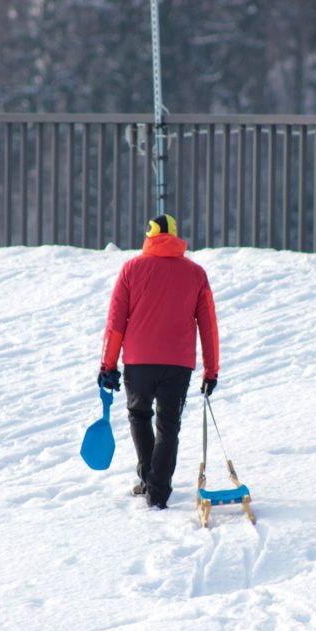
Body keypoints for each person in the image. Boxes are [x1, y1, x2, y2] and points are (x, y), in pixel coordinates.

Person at [97, 214, 220, 509]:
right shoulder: (195, 273)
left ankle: (148, 478)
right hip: (178, 365)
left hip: (139, 361)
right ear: (176, 235)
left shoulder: (131, 269)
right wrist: (211, 370)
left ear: (149, 235)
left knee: (139, 415)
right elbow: (208, 326)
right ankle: (158, 490)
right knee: (168, 426)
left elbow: (116, 323)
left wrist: (108, 365)